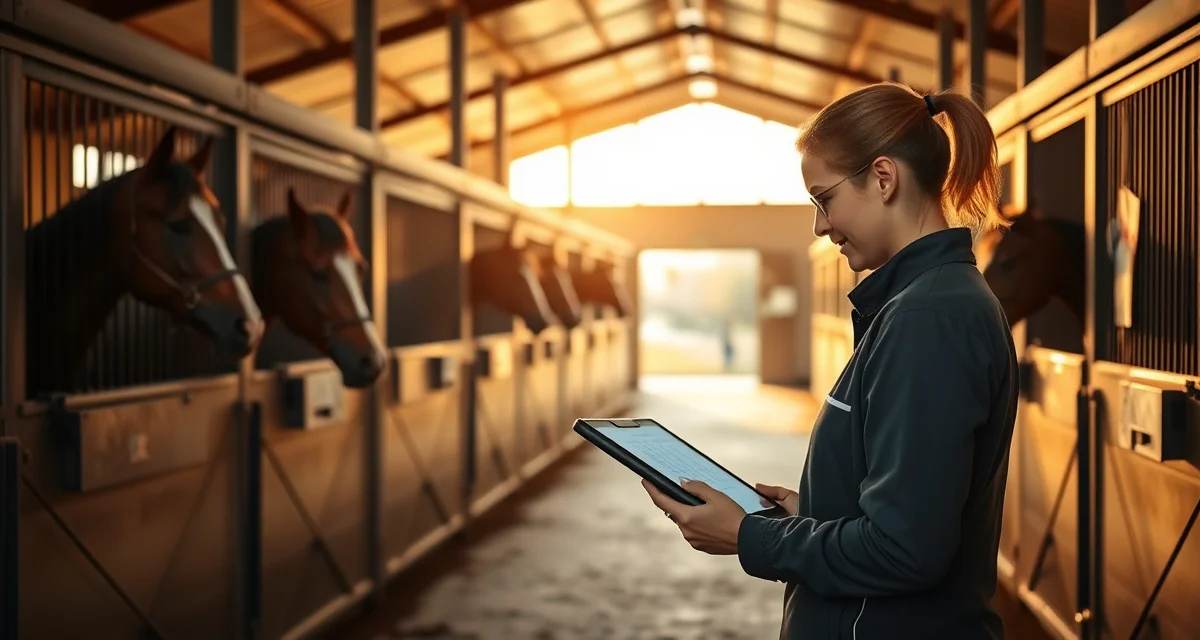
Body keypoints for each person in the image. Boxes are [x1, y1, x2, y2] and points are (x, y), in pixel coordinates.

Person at [642, 82, 1020, 639]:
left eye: (824, 199)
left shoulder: (928, 319)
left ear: (884, 178)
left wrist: (751, 537)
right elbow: (905, 504)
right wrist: (814, 510)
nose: (820, 226)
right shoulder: (917, 305)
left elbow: (904, 550)